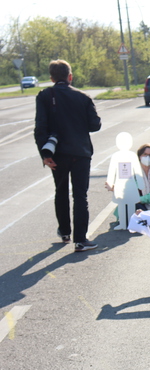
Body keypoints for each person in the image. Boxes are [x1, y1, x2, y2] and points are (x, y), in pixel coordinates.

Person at [34, 59, 102, 252]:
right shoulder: (83, 97)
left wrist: (44, 154)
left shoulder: (44, 96)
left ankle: (64, 231)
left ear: (52, 78)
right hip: (81, 152)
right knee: (80, 195)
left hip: (58, 153)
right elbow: (95, 125)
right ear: (70, 76)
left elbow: (40, 127)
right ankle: (80, 240)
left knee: (61, 191)